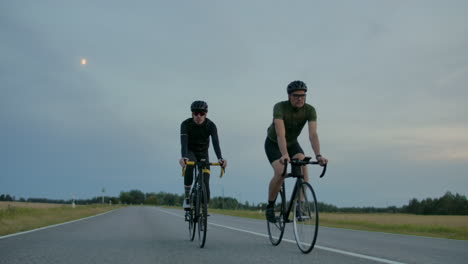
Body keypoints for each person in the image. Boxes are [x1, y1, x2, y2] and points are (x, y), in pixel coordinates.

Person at [264, 80, 328, 222]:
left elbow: (313, 135)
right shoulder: (280, 107)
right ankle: (270, 206)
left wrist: (318, 155)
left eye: (303, 96)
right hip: (274, 143)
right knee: (281, 171)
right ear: (289, 96)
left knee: (302, 161)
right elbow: (280, 134)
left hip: (293, 143)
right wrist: (285, 154)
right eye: (296, 95)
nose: (300, 98)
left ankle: (300, 205)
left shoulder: (310, 110)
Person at [179, 100, 227, 210]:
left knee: (205, 182)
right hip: (190, 151)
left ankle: (203, 209)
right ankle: (187, 198)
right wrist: (184, 157)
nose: (199, 116)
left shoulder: (211, 125)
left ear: (206, 114)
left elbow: (216, 143)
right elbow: (184, 143)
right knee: (189, 166)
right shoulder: (185, 124)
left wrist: (220, 158)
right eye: (196, 113)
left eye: (202, 114)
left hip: (203, 152)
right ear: (192, 114)